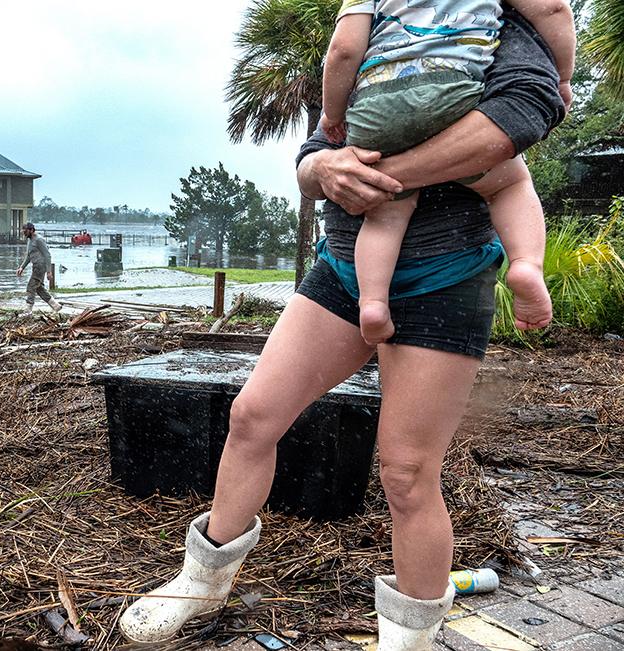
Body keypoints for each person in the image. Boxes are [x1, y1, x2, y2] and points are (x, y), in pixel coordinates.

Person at [119, 5, 565, 649]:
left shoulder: (501, 20)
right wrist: (322, 172)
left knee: (407, 473)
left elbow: (516, 119)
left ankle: (407, 639)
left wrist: (382, 178)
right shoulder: (371, 19)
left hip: (445, 275)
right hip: (344, 267)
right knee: (252, 418)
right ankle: (201, 582)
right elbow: (316, 151)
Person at [320, 0, 574, 344]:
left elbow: (344, 50)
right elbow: (553, 10)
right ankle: (526, 264)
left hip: (376, 107)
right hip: (452, 92)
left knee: (384, 214)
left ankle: (373, 303)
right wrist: (563, 77)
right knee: (509, 185)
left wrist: (332, 114)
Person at [15, 222, 61, 315]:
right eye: (23, 230)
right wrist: (21, 267)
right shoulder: (30, 240)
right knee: (39, 288)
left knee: (31, 287)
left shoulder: (39, 240)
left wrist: (49, 271)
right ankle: (56, 305)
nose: (24, 232)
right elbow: (28, 256)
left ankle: (28, 310)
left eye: (26, 230)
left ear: (31, 230)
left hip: (40, 267)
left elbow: (47, 255)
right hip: (35, 266)